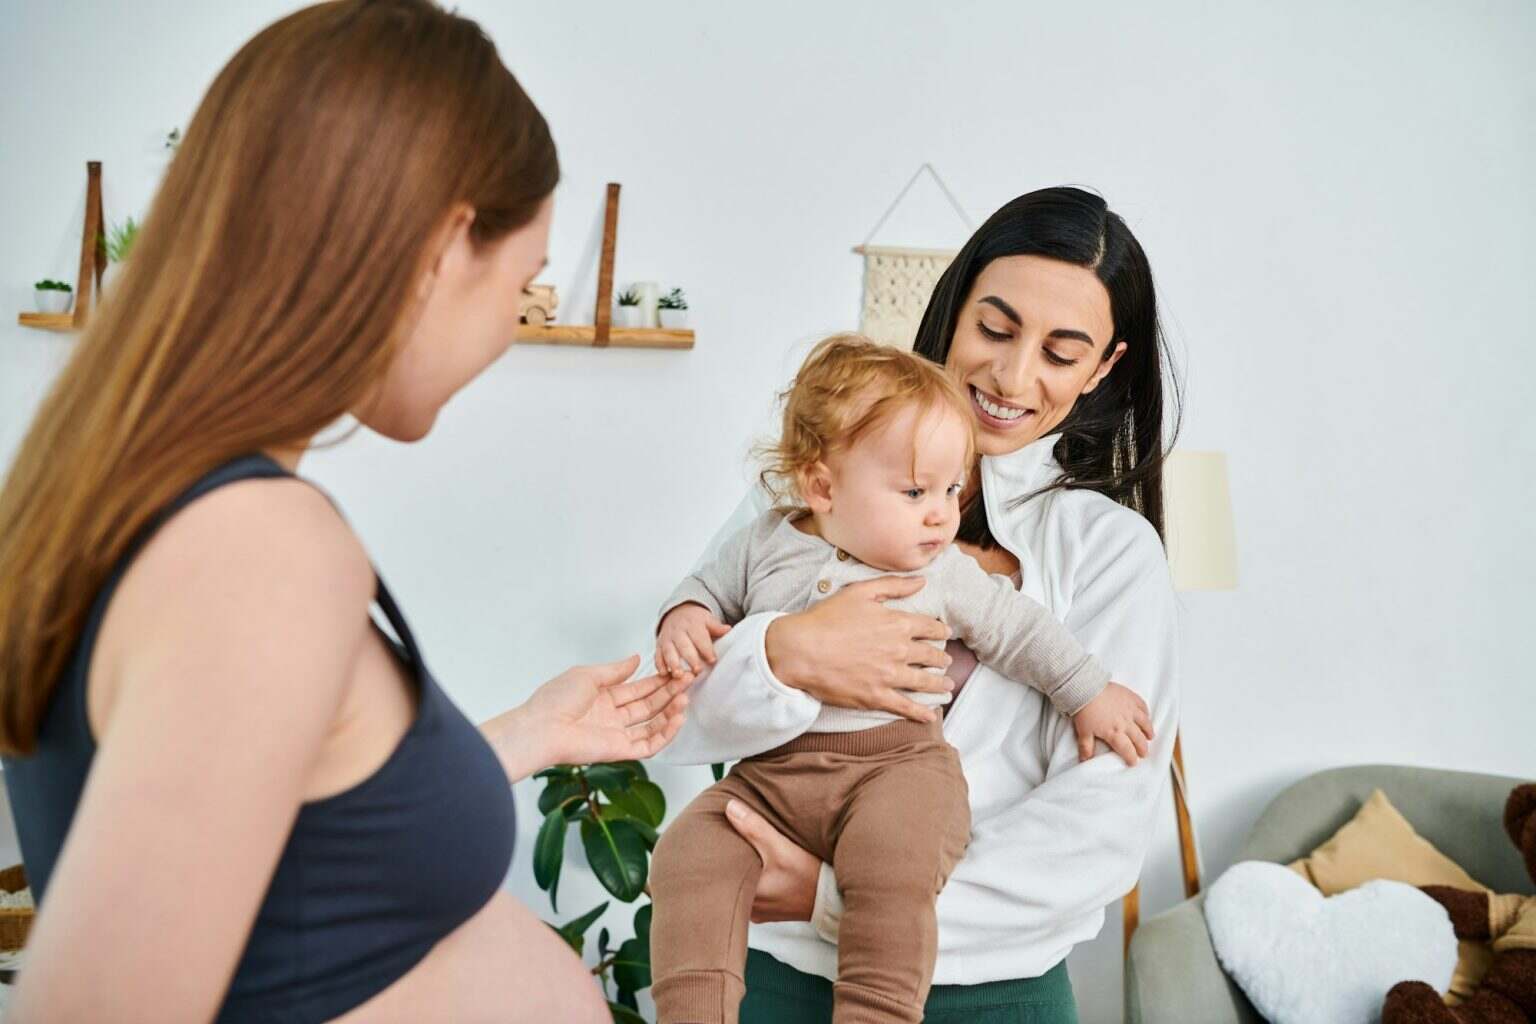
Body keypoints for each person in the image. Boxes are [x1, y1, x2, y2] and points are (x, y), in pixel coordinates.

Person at [0, 3, 686, 1021]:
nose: (512, 326)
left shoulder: (147, 496)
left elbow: (297, 841)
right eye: (524, 283)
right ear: (444, 247)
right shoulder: (259, 551)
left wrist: (528, 733)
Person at [654, 186, 1183, 1023]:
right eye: (995, 329)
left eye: (1060, 352)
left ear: (1103, 367)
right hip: (770, 978)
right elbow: (673, 713)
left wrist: (829, 898)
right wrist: (786, 652)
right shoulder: (811, 493)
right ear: (955, 308)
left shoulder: (1112, 552)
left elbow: (1099, 832)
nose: (1012, 376)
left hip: (996, 996)